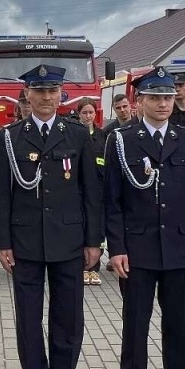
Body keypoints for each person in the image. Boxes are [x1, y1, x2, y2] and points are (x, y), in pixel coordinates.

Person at [105, 69, 185, 369]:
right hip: (138, 249)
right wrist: (117, 248)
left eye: (168, 97)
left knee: (177, 324)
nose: (163, 104)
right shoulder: (122, 140)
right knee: (136, 324)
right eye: (155, 98)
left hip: (181, 248)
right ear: (141, 102)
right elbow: (113, 201)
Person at [0, 67, 101, 369]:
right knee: (28, 316)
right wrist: (3, 243)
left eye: (52, 91)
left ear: (60, 95)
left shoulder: (77, 134)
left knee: (68, 316)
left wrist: (92, 241)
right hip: (25, 241)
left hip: (69, 240)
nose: (46, 97)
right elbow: (0, 195)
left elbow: (90, 192)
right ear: (27, 96)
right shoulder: (10, 136)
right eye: (39, 92)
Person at [75, 99, 103, 284]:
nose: (88, 116)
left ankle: (95, 268)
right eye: (84, 113)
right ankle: (83, 267)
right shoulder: (75, 135)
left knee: (96, 227)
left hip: (99, 187)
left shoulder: (103, 136)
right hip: (79, 188)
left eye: (90, 112)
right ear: (79, 114)